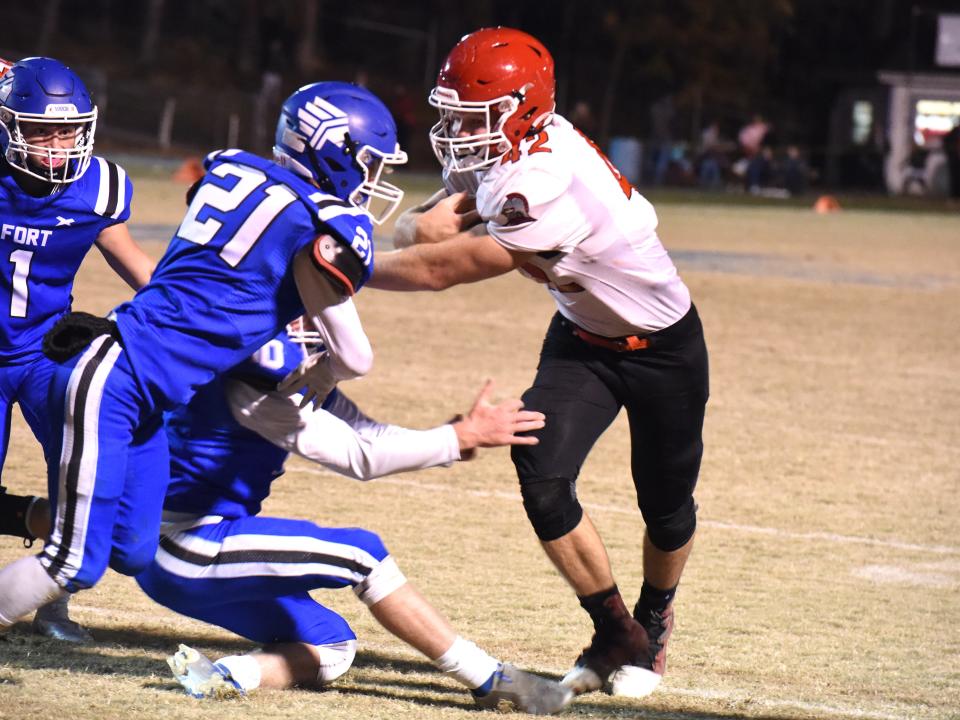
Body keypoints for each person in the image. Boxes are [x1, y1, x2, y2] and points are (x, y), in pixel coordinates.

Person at [0, 81, 413, 639]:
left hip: (140, 390)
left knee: (133, 548)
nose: (372, 178)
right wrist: (318, 373)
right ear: (331, 148)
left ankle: (20, 519)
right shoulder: (316, 220)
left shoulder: (232, 170)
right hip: (114, 382)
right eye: (367, 162)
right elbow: (355, 355)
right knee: (77, 562)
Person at [367, 27, 710, 699]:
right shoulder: (508, 146)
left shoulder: (544, 177)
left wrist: (343, 268)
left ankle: (654, 616)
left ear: (522, 108)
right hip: (583, 337)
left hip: (662, 346)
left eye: (473, 114)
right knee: (540, 463)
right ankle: (616, 633)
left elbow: (442, 267)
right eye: (453, 112)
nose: (456, 129)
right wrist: (413, 228)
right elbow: (427, 224)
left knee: (666, 507)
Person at [130, 322, 568, 713]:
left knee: (333, 645)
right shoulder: (254, 385)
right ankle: (489, 679)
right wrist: (457, 438)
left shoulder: (286, 372)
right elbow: (362, 458)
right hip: (185, 542)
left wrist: (447, 438)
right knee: (363, 554)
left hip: (193, 550)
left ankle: (227, 676)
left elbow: (367, 431)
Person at [0, 57, 155, 642]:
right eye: (41, 130)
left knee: (80, 477)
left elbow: (138, 267)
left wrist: (201, 317)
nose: (57, 145)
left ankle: (52, 603)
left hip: (44, 354)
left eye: (69, 130)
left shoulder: (101, 186)